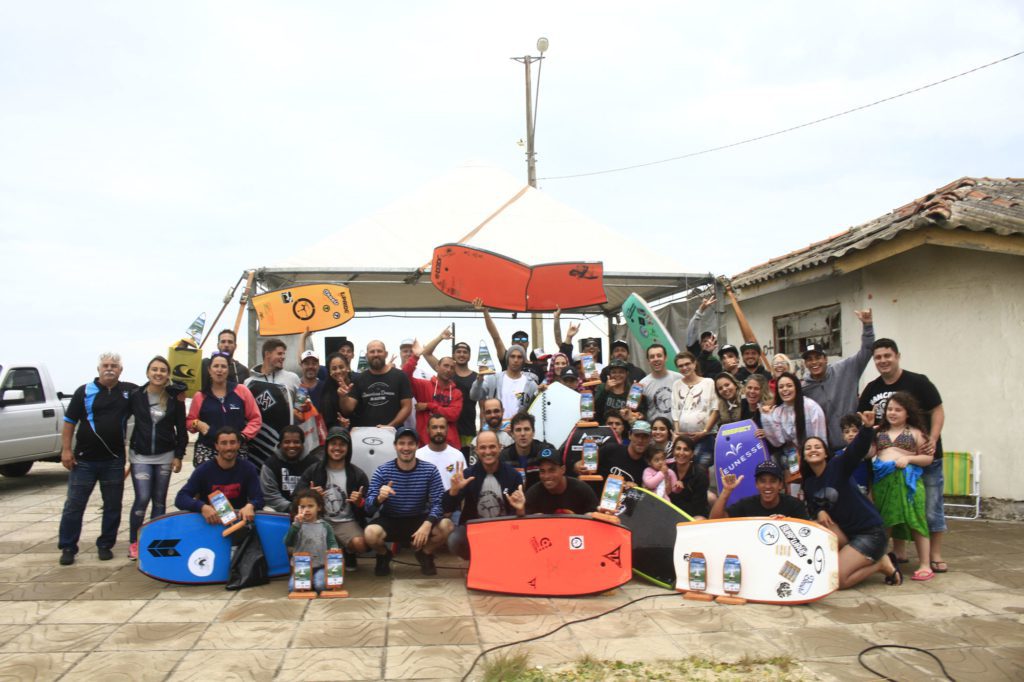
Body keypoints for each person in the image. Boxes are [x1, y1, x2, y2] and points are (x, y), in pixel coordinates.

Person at [857, 338, 947, 573]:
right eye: (878, 357)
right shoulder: (872, 389)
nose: (883, 361)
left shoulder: (918, 382)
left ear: (897, 356)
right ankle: (899, 551)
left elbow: (937, 410)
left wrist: (933, 439)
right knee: (893, 508)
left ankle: (934, 556)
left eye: (887, 355)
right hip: (887, 463)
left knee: (930, 508)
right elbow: (864, 420)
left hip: (924, 453)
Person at [58, 352, 137, 565]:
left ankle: (105, 544)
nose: (109, 368)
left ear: (121, 370)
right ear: (98, 369)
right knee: (74, 506)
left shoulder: (129, 392)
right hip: (84, 460)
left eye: (114, 365)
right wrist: (66, 450)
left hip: (114, 460)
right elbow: (69, 422)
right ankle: (68, 546)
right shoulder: (84, 391)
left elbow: (154, 392)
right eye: (105, 365)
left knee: (112, 505)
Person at [801, 428, 902, 589]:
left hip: (871, 533)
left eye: (818, 447)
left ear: (826, 453)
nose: (813, 450)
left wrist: (867, 429)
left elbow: (856, 450)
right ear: (804, 456)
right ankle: (852, 556)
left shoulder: (837, 466)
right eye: (808, 448)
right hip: (846, 533)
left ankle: (881, 564)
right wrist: (820, 511)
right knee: (814, 526)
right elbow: (813, 507)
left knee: (838, 580)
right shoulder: (809, 483)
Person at [364, 428, 450, 576]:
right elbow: (368, 509)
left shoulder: (430, 470)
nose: (406, 448)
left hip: (419, 518)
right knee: (370, 533)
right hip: (391, 519)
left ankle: (425, 553)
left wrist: (428, 523)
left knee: (447, 526)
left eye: (410, 443)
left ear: (417, 445)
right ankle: (384, 555)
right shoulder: (382, 471)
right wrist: (379, 499)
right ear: (395, 445)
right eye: (401, 443)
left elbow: (439, 502)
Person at [127, 356, 187, 560]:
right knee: (142, 498)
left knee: (159, 501)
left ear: (168, 374)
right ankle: (135, 542)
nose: (158, 373)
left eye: (163, 370)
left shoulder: (174, 398)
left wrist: (179, 455)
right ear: (147, 373)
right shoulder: (136, 396)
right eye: (154, 369)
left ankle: (155, 541)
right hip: (140, 456)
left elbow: (181, 429)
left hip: (165, 455)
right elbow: (121, 419)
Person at [870, 392, 935, 581]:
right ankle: (883, 560)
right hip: (883, 482)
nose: (892, 413)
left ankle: (925, 565)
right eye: (890, 409)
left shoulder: (916, 433)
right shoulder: (877, 431)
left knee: (916, 520)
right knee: (885, 521)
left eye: (898, 410)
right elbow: (868, 453)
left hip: (908, 483)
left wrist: (909, 459)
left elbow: (928, 458)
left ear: (908, 413)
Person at [801, 309, 875, 451]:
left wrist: (867, 326)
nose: (814, 362)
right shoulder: (804, 389)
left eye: (818, 357)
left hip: (857, 442)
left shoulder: (845, 368)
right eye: (809, 359)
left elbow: (867, 351)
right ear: (805, 364)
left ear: (825, 359)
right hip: (830, 449)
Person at [296, 426, 369, 569]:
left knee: (361, 544)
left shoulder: (357, 474)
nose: (337, 448)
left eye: (342, 444)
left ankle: (348, 552)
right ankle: (331, 553)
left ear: (348, 448)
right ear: (327, 446)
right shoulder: (314, 470)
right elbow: (296, 498)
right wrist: (310, 495)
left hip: (346, 522)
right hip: (319, 520)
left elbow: (370, 509)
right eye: (333, 444)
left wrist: (360, 502)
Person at [445, 431, 526, 559]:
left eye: (492, 446)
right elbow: (446, 510)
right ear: (476, 450)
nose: (488, 451)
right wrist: (453, 491)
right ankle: (476, 560)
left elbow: (519, 516)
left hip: (504, 530)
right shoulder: (468, 475)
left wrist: (520, 509)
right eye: (483, 447)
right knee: (455, 539)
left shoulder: (513, 476)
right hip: (475, 530)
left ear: (500, 447)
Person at [187, 352, 261, 467]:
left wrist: (242, 436)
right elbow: (189, 422)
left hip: (236, 450)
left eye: (223, 366)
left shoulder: (242, 391)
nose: (219, 370)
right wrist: (198, 424)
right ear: (209, 370)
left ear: (228, 370)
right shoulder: (200, 396)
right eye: (216, 366)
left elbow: (255, 419)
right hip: (207, 450)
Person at [174, 426, 263, 522]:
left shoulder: (248, 468)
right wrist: (202, 507)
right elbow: (181, 498)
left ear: (239, 444)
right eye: (224, 443)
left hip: (239, 521)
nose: (229, 447)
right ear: (216, 446)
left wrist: (251, 505)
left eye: (232, 442)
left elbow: (259, 498)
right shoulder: (203, 470)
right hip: (211, 522)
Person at [761, 371, 826, 485]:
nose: (785, 389)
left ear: (797, 387)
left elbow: (820, 438)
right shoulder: (778, 411)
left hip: (814, 458)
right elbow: (778, 441)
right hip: (792, 462)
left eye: (789, 385)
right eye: (781, 387)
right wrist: (766, 418)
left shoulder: (811, 407)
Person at [245, 339, 301, 467]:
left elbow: (304, 408)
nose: (283, 357)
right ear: (267, 354)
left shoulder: (293, 378)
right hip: (257, 448)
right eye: (279, 353)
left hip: (286, 446)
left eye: (284, 354)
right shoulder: (248, 383)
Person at [422, 326, 478, 454]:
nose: (462, 354)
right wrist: (441, 337)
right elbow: (426, 353)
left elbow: (482, 406)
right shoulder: (447, 372)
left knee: (463, 462)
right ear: (453, 355)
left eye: (465, 352)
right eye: (458, 351)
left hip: (468, 428)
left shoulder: (476, 377)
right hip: (445, 428)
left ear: (469, 356)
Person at [403, 339, 462, 449]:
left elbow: (453, 415)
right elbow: (405, 377)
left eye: (452, 368)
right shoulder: (424, 386)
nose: (448, 369)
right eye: (445, 366)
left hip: (450, 447)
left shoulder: (456, 393)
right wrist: (415, 357)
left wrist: (428, 406)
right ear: (437, 367)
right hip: (425, 446)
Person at [341, 340, 413, 429]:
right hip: (366, 433)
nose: (376, 354)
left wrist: (390, 427)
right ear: (366, 356)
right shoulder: (359, 379)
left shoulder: (400, 376)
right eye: (372, 352)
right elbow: (348, 409)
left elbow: (407, 407)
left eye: (379, 351)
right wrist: (343, 397)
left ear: (386, 354)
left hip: (393, 432)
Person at [284, 488, 340, 595]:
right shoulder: (296, 525)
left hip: (321, 566)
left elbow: (332, 542)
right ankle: (307, 582)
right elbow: (288, 542)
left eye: (310, 506)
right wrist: (295, 526)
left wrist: (334, 548)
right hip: (301, 566)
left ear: (319, 507)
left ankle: (313, 581)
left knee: (320, 585)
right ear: (297, 508)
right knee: (292, 588)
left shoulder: (325, 526)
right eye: (302, 507)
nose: (307, 509)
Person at [710, 459, 809, 519]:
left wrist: (788, 523)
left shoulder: (795, 505)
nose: (767, 486)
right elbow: (715, 521)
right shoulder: (746, 504)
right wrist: (726, 491)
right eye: (762, 481)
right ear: (756, 484)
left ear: (780, 485)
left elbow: (807, 533)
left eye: (773, 481)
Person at [670, 351, 718, 466]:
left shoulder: (709, 382)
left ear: (694, 364)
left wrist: (704, 432)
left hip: (705, 437)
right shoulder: (676, 385)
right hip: (684, 438)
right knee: (685, 468)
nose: (684, 367)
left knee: (700, 467)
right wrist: (677, 433)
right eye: (680, 366)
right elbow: (675, 411)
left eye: (687, 364)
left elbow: (715, 410)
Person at [469, 345, 539, 423]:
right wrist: (479, 381)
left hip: (518, 428)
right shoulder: (494, 379)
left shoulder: (531, 385)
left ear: (523, 360)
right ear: (507, 358)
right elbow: (474, 396)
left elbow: (535, 410)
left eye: (519, 357)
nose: (516, 360)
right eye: (512, 356)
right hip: (496, 427)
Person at [261, 425, 320, 513]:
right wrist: (293, 508)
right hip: (279, 510)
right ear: (280, 444)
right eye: (287, 442)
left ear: (302, 444)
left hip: (308, 509)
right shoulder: (270, 464)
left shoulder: (315, 464)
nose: (292, 446)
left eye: (296, 442)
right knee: (267, 510)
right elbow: (270, 495)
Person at [525, 449, 598, 515]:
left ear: (563, 470)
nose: (546, 476)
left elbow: (596, 515)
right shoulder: (533, 493)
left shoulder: (582, 490)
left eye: (552, 470)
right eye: (542, 471)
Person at [500, 412, 556, 490]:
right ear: (512, 434)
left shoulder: (546, 451)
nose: (523, 434)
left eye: (526, 429)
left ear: (533, 432)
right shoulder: (504, 456)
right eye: (518, 430)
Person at [593, 419, 653, 487]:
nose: (640, 440)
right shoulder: (610, 450)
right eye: (637, 435)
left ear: (650, 438)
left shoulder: (647, 467)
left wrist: (635, 489)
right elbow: (587, 464)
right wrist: (582, 468)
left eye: (645, 436)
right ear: (629, 435)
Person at [416, 414, 467, 491]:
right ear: (427, 429)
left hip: (451, 497)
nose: (438, 431)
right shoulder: (418, 455)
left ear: (447, 429)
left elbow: (464, 483)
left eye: (442, 427)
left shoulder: (457, 455)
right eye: (434, 427)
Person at [668, 436, 709, 519]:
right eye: (678, 448)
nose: (681, 453)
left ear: (692, 454)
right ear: (673, 451)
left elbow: (697, 508)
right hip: (668, 511)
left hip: (691, 515)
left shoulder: (700, 475)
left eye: (686, 449)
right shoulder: (667, 470)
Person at [639, 344, 682, 422]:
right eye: (652, 357)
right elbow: (636, 409)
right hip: (655, 428)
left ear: (665, 358)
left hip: (678, 427)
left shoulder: (679, 378)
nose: (656, 359)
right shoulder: (642, 384)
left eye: (659, 356)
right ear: (648, 360)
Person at [684, 295, 723, 378]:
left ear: (715, 345)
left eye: (710, 341)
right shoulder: (694, 351)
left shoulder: (716, 364)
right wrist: (701, 310)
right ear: (700, 343)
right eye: (704, 341)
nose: (707, 343)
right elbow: (692, 330)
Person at [595, 359, 644, 424]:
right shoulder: (602, 387)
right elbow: (596, 409)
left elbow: (640, 413)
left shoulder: (633, 391)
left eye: (621, 372)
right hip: (605, 427)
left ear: (627, 374)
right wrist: (605, 390)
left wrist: (636, 415)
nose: (617, 375)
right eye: (614, 372)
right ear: (609, 374)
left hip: (625, 427)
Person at [468, 398, 513, 465]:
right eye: (488, 412)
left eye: (496, 411)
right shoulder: (476, 442)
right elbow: (473, 468)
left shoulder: (512, 438)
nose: (493, 415)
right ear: (483, 414)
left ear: (503, 411)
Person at [319, 352, 352, 430]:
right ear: (329, 372)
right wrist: (340, 424)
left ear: (347, 367)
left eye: (341, 367)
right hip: (337, 432)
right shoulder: (326, 390)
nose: (338, 371)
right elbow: (328, 419)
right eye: (334, 369)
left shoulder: (356, 382)